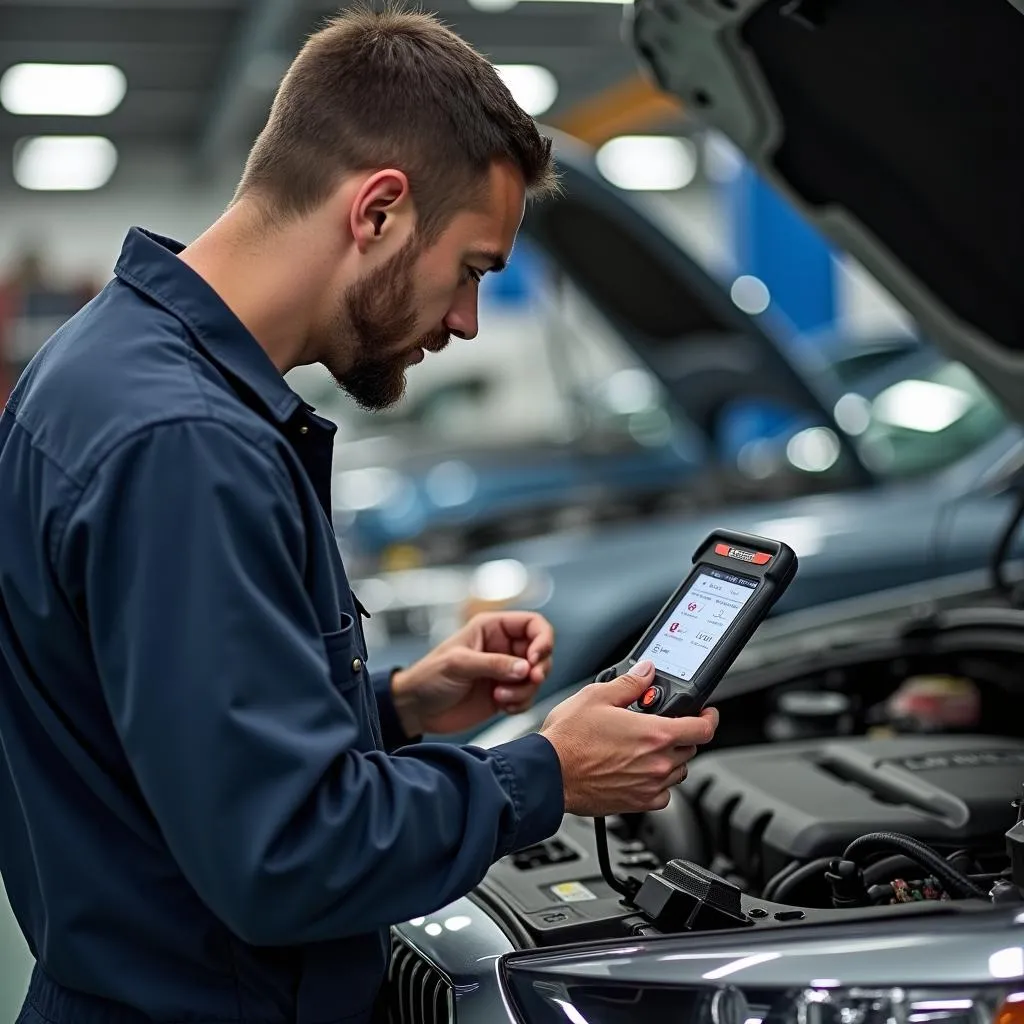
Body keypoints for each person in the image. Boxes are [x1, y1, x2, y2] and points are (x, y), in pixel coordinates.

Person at [0, 7, 719, 1024]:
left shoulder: (103, 364)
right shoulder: (187, 444)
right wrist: (544, 773)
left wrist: (395, 706)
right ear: (377, 210)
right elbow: (285, 854)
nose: (467, 321)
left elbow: (163, 735)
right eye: (472, 269)